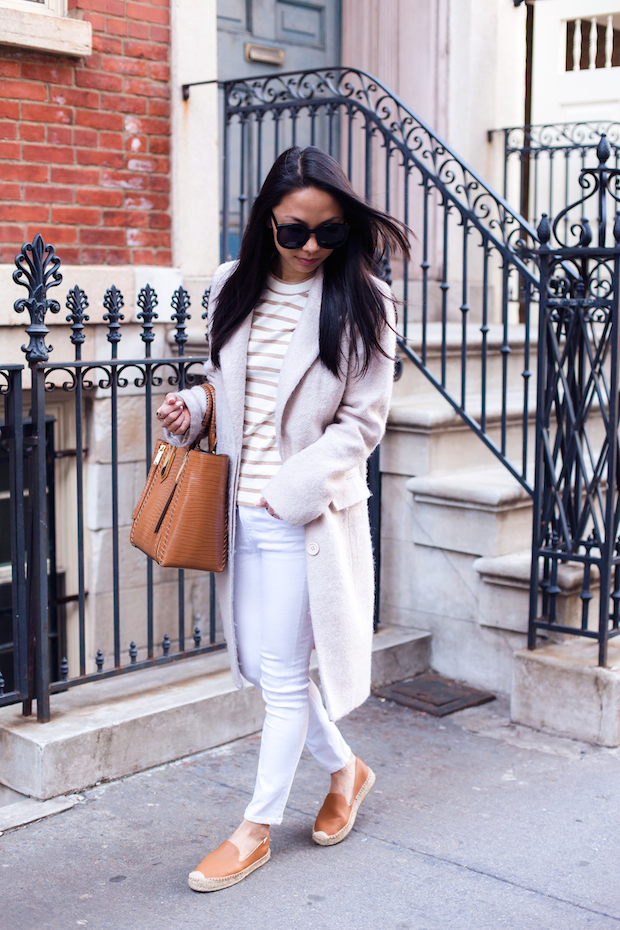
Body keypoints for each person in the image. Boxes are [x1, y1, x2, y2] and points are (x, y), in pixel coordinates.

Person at [156, 145, 410, 892]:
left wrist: (292, 487)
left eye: (328, 234)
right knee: (277, 678)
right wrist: (195, 406)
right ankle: (347, 771)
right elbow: (228, 384)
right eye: (294, 230)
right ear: (267, 218)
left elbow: (362, 425)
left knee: (285, 680)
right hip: (237, 512)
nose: (308, 248)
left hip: (306, 516)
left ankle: (255, 828)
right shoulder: (234, 284)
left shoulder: (364, 300)